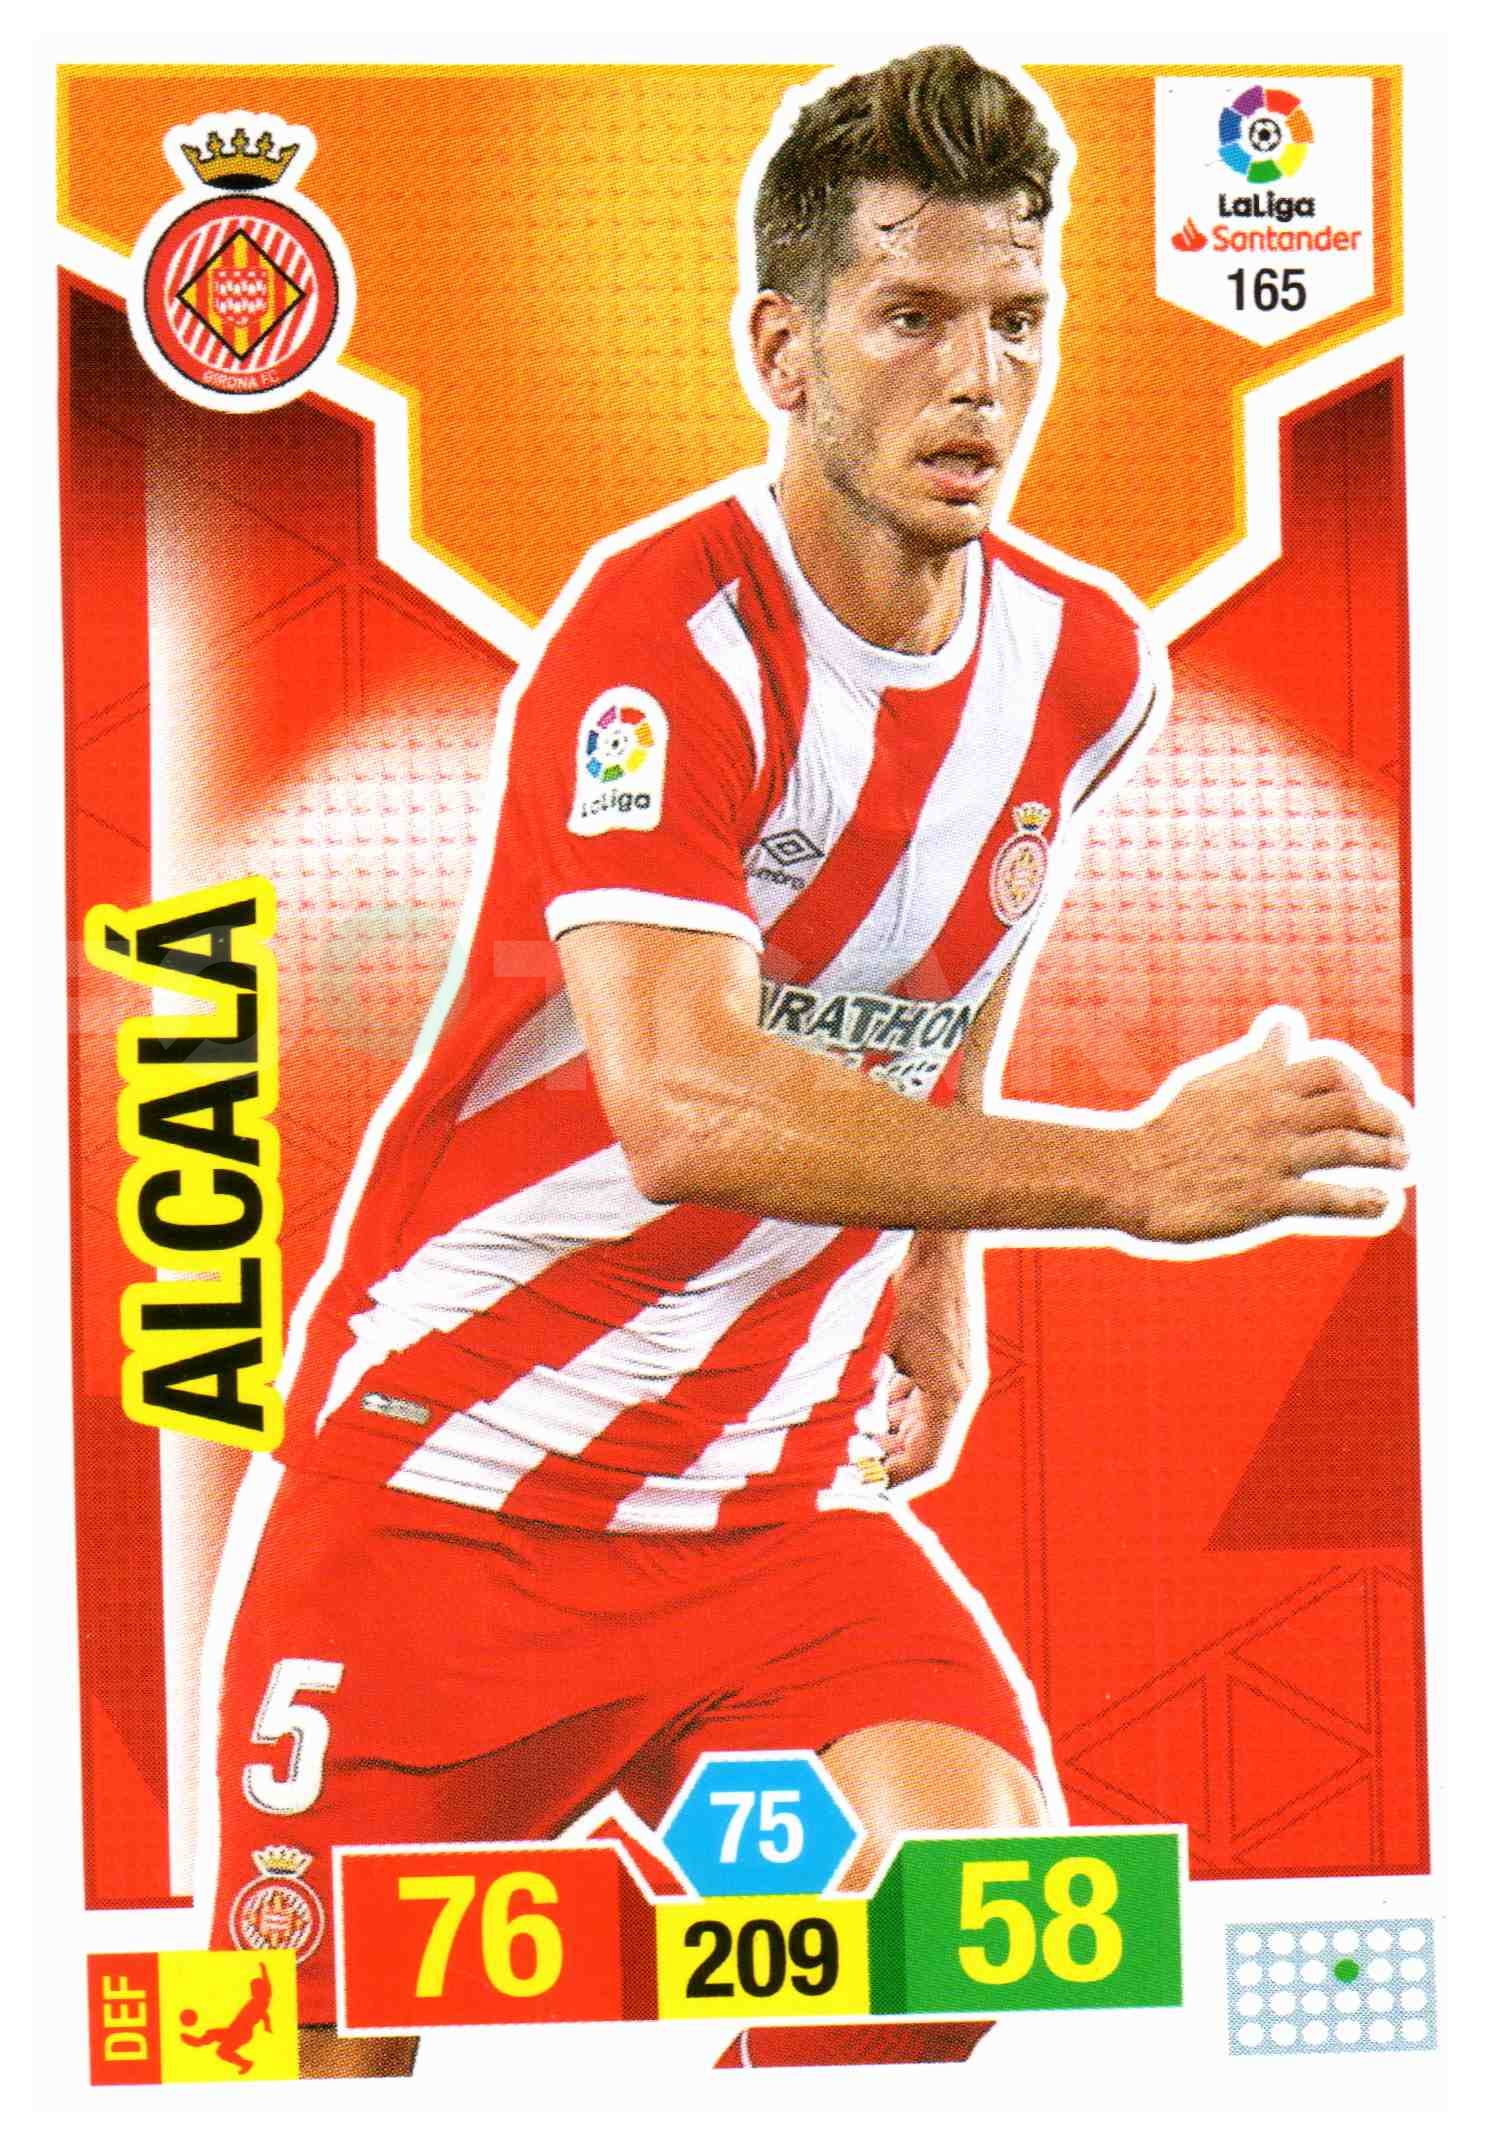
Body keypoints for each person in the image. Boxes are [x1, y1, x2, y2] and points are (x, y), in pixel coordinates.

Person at [204, 46, 1407, 2077]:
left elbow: (959, 941)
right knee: (286, 2075)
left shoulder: (1086, 662)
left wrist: (939, 1264)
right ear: (782, 347)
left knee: (978, 1914)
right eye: (910, 316)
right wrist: (1124, 1173)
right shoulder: (656, 645)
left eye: (1018, 320)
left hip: (763, 1519)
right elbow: (682, 1107)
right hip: (440, 1499)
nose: (978, 380)